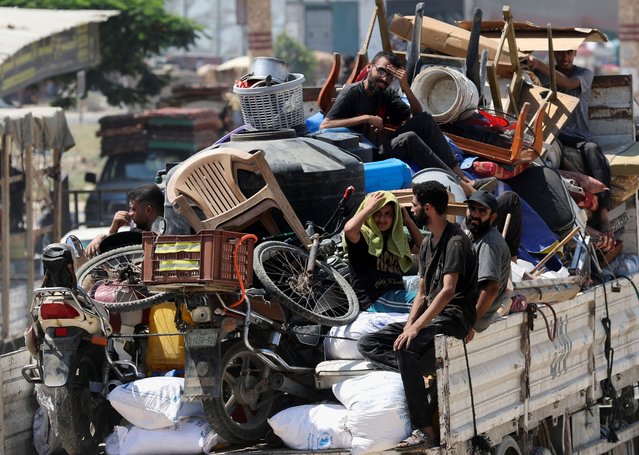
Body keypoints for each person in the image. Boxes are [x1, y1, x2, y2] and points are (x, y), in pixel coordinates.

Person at [358, 181, 477, 450]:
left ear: (428, 208)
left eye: (413, 205)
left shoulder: (455, 241)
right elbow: (422, 293)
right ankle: (416, 377)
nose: (410, 210)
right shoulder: (426, 245)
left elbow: (447, 292)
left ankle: (424, 430)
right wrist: (409, 325)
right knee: (369, 344)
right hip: (432, 316)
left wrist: (415, 330)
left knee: (407, 349)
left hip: (454, 317)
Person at [320, 50, 476, 197]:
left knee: (425, 120)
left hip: (378, 147)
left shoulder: (386, 93)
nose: (384, 78)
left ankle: (463, 178)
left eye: (390, 76)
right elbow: (325, 124)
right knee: (409, 138)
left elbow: (416, 116)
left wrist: (405, 87)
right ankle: (459, 185)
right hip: (361, 155)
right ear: (369, 68)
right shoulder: (352, 92)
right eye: (381, 71)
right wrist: (367, 118)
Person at [527, 49, 612, 234]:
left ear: (575, 53)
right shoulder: (539, 75)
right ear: (553, 54)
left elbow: (567, 82)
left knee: (592, 150)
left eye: (569, 53)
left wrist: (538, 64)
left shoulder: (584, 74)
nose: (565, 58)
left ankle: (604, 214)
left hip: (579, 136)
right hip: (554, 134)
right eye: (559, 53)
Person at [343, 190, 424, 313]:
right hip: (374, 299)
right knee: (426, 304)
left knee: (435, 297)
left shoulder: (397, 239)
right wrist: (369, 207)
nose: (382, 219)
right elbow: (349, 229)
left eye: (388, 214)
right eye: (377, 213)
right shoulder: (364, 236)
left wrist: (408, 221)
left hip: (397, 293)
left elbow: (425, 249)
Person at [463, 191, 511, 342]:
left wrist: (470, 323)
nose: (475, 214)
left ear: (493, 217)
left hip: (474, 317)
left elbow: (490, 289)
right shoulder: (475, 235)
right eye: (472, 208)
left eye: (482, 211)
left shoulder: (489, 243)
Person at [86, 183, 164, 257]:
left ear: (148, 210)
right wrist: (111, 232)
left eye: (133, 209)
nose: (130, 213)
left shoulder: (169, 235)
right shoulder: (135, 235)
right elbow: (115, 260)